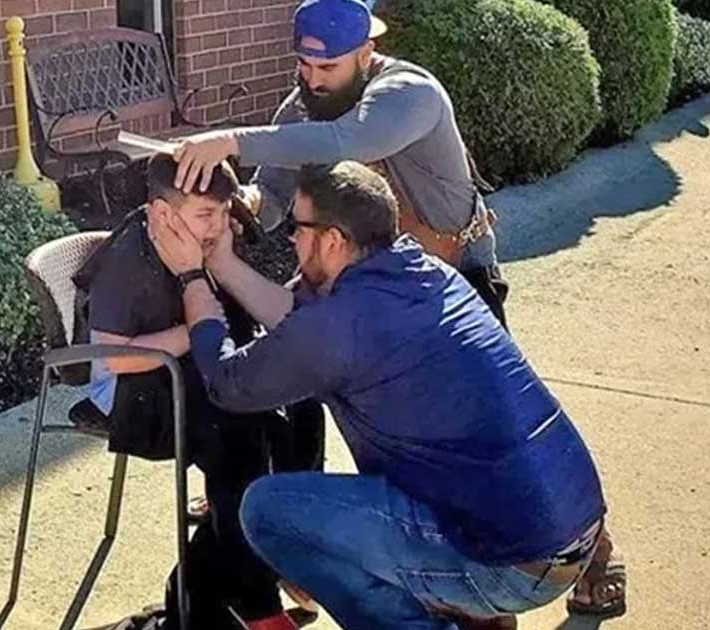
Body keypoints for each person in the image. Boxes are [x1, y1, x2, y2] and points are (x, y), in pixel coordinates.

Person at [172, 0, 627, 614]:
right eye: (303, 66)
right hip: (377, 283)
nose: (312, 80)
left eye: (327, 67)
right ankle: (447, 570)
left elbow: (350, 140)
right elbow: (279, 198)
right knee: (399, 434)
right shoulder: (303, 112)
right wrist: (241, 207)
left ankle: (583, 548)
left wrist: (229, 142)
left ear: (367, 51)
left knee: (492, 421)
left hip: (454, 268)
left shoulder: (408, 92)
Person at [146, 161, 608, 630]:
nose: (290, 240)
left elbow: (228, 382)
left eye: (296, 227)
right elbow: (295, 321)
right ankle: (472, 615)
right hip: (568, 531)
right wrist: (223, 263)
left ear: (332, 240)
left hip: (511, 563)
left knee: (268, 511)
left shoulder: (340, 326)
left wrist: (192, 278)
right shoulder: (421, 272)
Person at [72, 154, 295, 630]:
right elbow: (113, 359)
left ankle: (279, 551)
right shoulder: (129, 258)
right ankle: (257, 602)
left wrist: (221, 263)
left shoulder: (209, 239)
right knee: (238, 435)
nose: (218, 225)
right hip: (137, 392)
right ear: (161, 214)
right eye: (205, 215)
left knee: (297, 407)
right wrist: (194, 328)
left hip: (193, 371)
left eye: (223, 211)